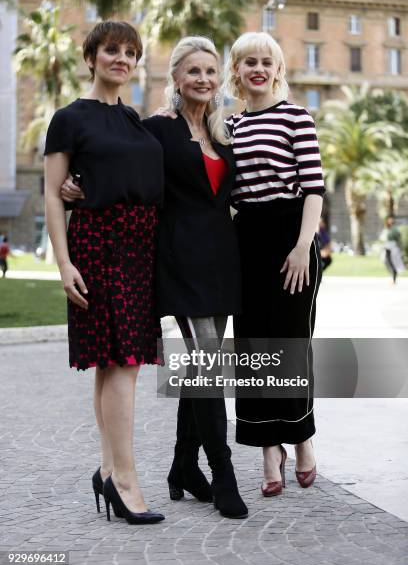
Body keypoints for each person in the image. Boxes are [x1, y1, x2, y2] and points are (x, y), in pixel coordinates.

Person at [61, 36, 248, 519]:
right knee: (206, 366)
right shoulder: (154, 131)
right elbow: (112, 158)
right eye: (193, 72)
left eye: (211, 71)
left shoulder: (223, 133)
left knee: (201, 365)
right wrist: (74, 184)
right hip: (178, 259)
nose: (203, 80)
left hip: (222, 260)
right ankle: (224, 474)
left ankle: (183, 466)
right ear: (176, 79)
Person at [44, 21, 165, 525]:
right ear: (91, 58)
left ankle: (109, 469)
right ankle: (125, 479)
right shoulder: (69, 118)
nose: (122, 58)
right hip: (99, 243)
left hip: (142, 245)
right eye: (112, 50)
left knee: (115, 363)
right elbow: (53, 192)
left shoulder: (136, 119)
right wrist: (63, 262)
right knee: (122, 361)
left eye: (131, 52)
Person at [223, 32, 325, 495]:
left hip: (292, 238)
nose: (258, 69)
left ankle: (301, 437)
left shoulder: (296, 117)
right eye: (249, 62)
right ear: (237, 72)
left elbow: (313, 190)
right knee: (253, 348)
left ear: (278, 69)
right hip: (246, 240)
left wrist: (304, 246)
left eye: (266, 61)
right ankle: (269, 449)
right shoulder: (231, 128)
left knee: (290, 342)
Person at [380, 215, 405, 284]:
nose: (390, 221)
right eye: (389, 219)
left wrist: (400, 248)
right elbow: (383, 237)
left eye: (391, 219)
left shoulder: (395, 229)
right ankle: (393, 275)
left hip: (392, 247)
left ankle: (394, 278)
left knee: (392, 262)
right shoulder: (386, 228)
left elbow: (398, 238)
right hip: (386, 246)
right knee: (386, 261)